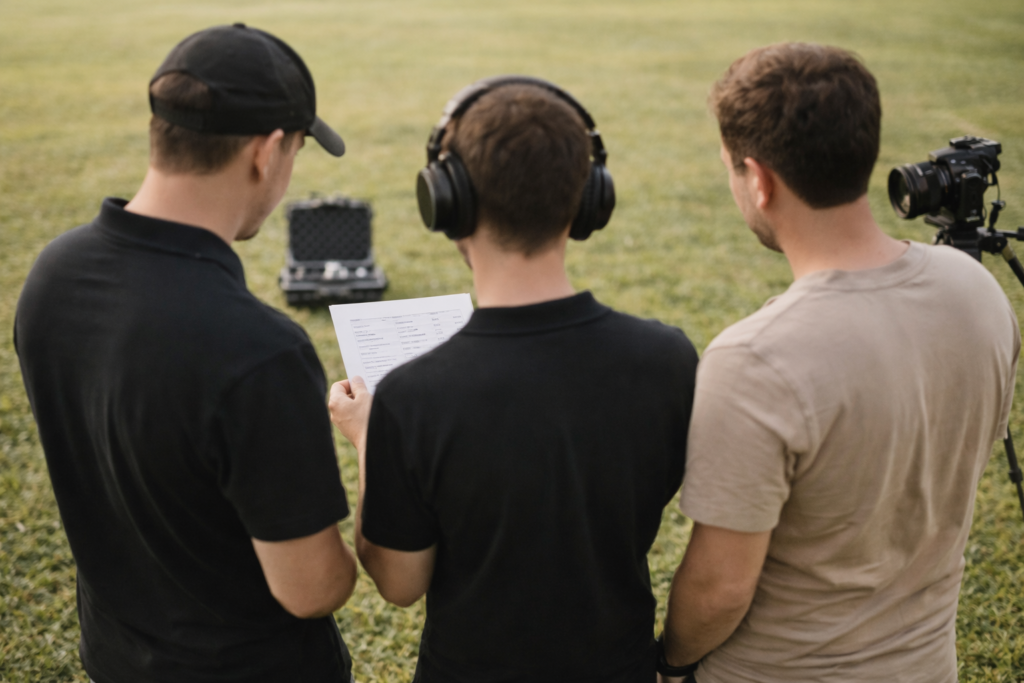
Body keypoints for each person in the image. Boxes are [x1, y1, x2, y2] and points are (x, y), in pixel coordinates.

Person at [657, 43, 1020, 683]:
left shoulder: (755, 359)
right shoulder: (978, 291)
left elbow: (719, 591)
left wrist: (669, 661)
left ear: (759, 179)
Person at [15, 24, 358, 683]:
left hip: (115, 657)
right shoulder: (258, 351)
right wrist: (379, 452)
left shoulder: (52, 276)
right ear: (267, 151)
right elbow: (312, 589)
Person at [328, 76, 699, 683]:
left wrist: (371, 440)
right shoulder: (667, 358)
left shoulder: (412, 397)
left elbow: (398, 582)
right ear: (587, 201)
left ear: (447, 203)